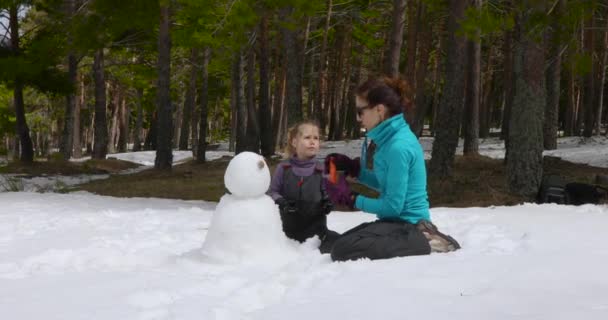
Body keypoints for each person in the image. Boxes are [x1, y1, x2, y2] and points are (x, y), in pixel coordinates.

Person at [327, 77, 460, 261]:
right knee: (342, 243)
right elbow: (389, 185)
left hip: (408, 224)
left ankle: (427, 240)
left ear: (379, 110)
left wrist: (353, 200)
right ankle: (421, 238)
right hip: (394, 222)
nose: (358, 118)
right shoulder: (389, 139)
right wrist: (356, 171)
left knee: (343, 249)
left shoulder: (398, 146)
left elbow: (392, 206)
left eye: (360, 111)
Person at [268, 120, 340, 253]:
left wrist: (328, 202)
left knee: (340, 245)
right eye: (307, 137)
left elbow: (329, 194)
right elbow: (273, 192)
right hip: (286, 234)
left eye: (316, 138)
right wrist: (282, 202)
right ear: (294, 142)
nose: (312, 142)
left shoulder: (322, 169)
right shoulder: (284, 168)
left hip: (316, 235)